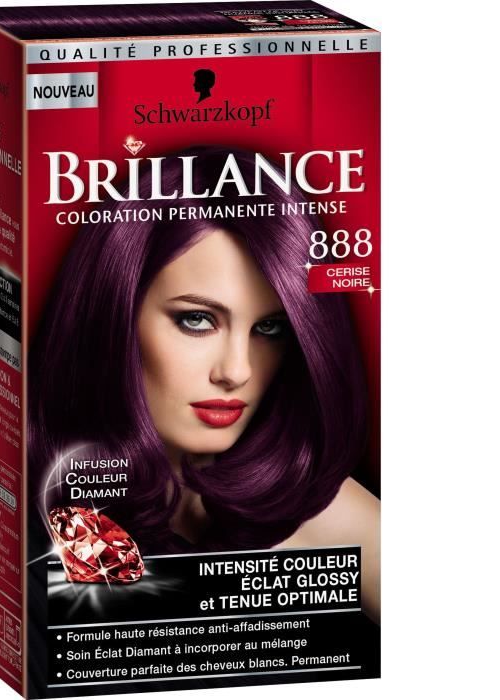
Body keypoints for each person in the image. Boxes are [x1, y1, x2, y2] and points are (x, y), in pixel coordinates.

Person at [28, 146, 380, 620]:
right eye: (196, 319)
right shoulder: (32, 510)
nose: (237, 371)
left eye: (270, 328)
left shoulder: (319, 510)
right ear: (112, 317)